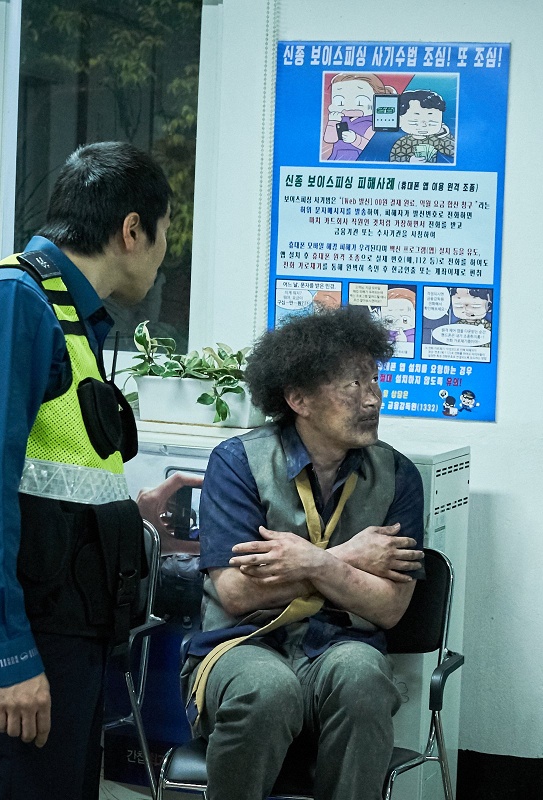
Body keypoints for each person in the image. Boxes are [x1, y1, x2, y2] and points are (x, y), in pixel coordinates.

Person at [0, 141, 175, 799]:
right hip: (27, 639)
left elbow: (52, 481)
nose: (165, 257)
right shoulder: (11, 302)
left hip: (65, 629)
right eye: (165, 234)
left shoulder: (65, 313)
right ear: (132, 230)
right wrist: (7, 655)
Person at [182, 306, 425, 800]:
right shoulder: (239, 462)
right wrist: (350, 557)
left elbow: (389, 608)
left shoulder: (398, 475)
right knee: (267, 689)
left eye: (374, 380)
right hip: (243, 644)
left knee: (363, 677)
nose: (372, 398)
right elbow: (236, 594)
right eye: (352, 385)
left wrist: (311, 561)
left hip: (340, 645)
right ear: (299, 399)